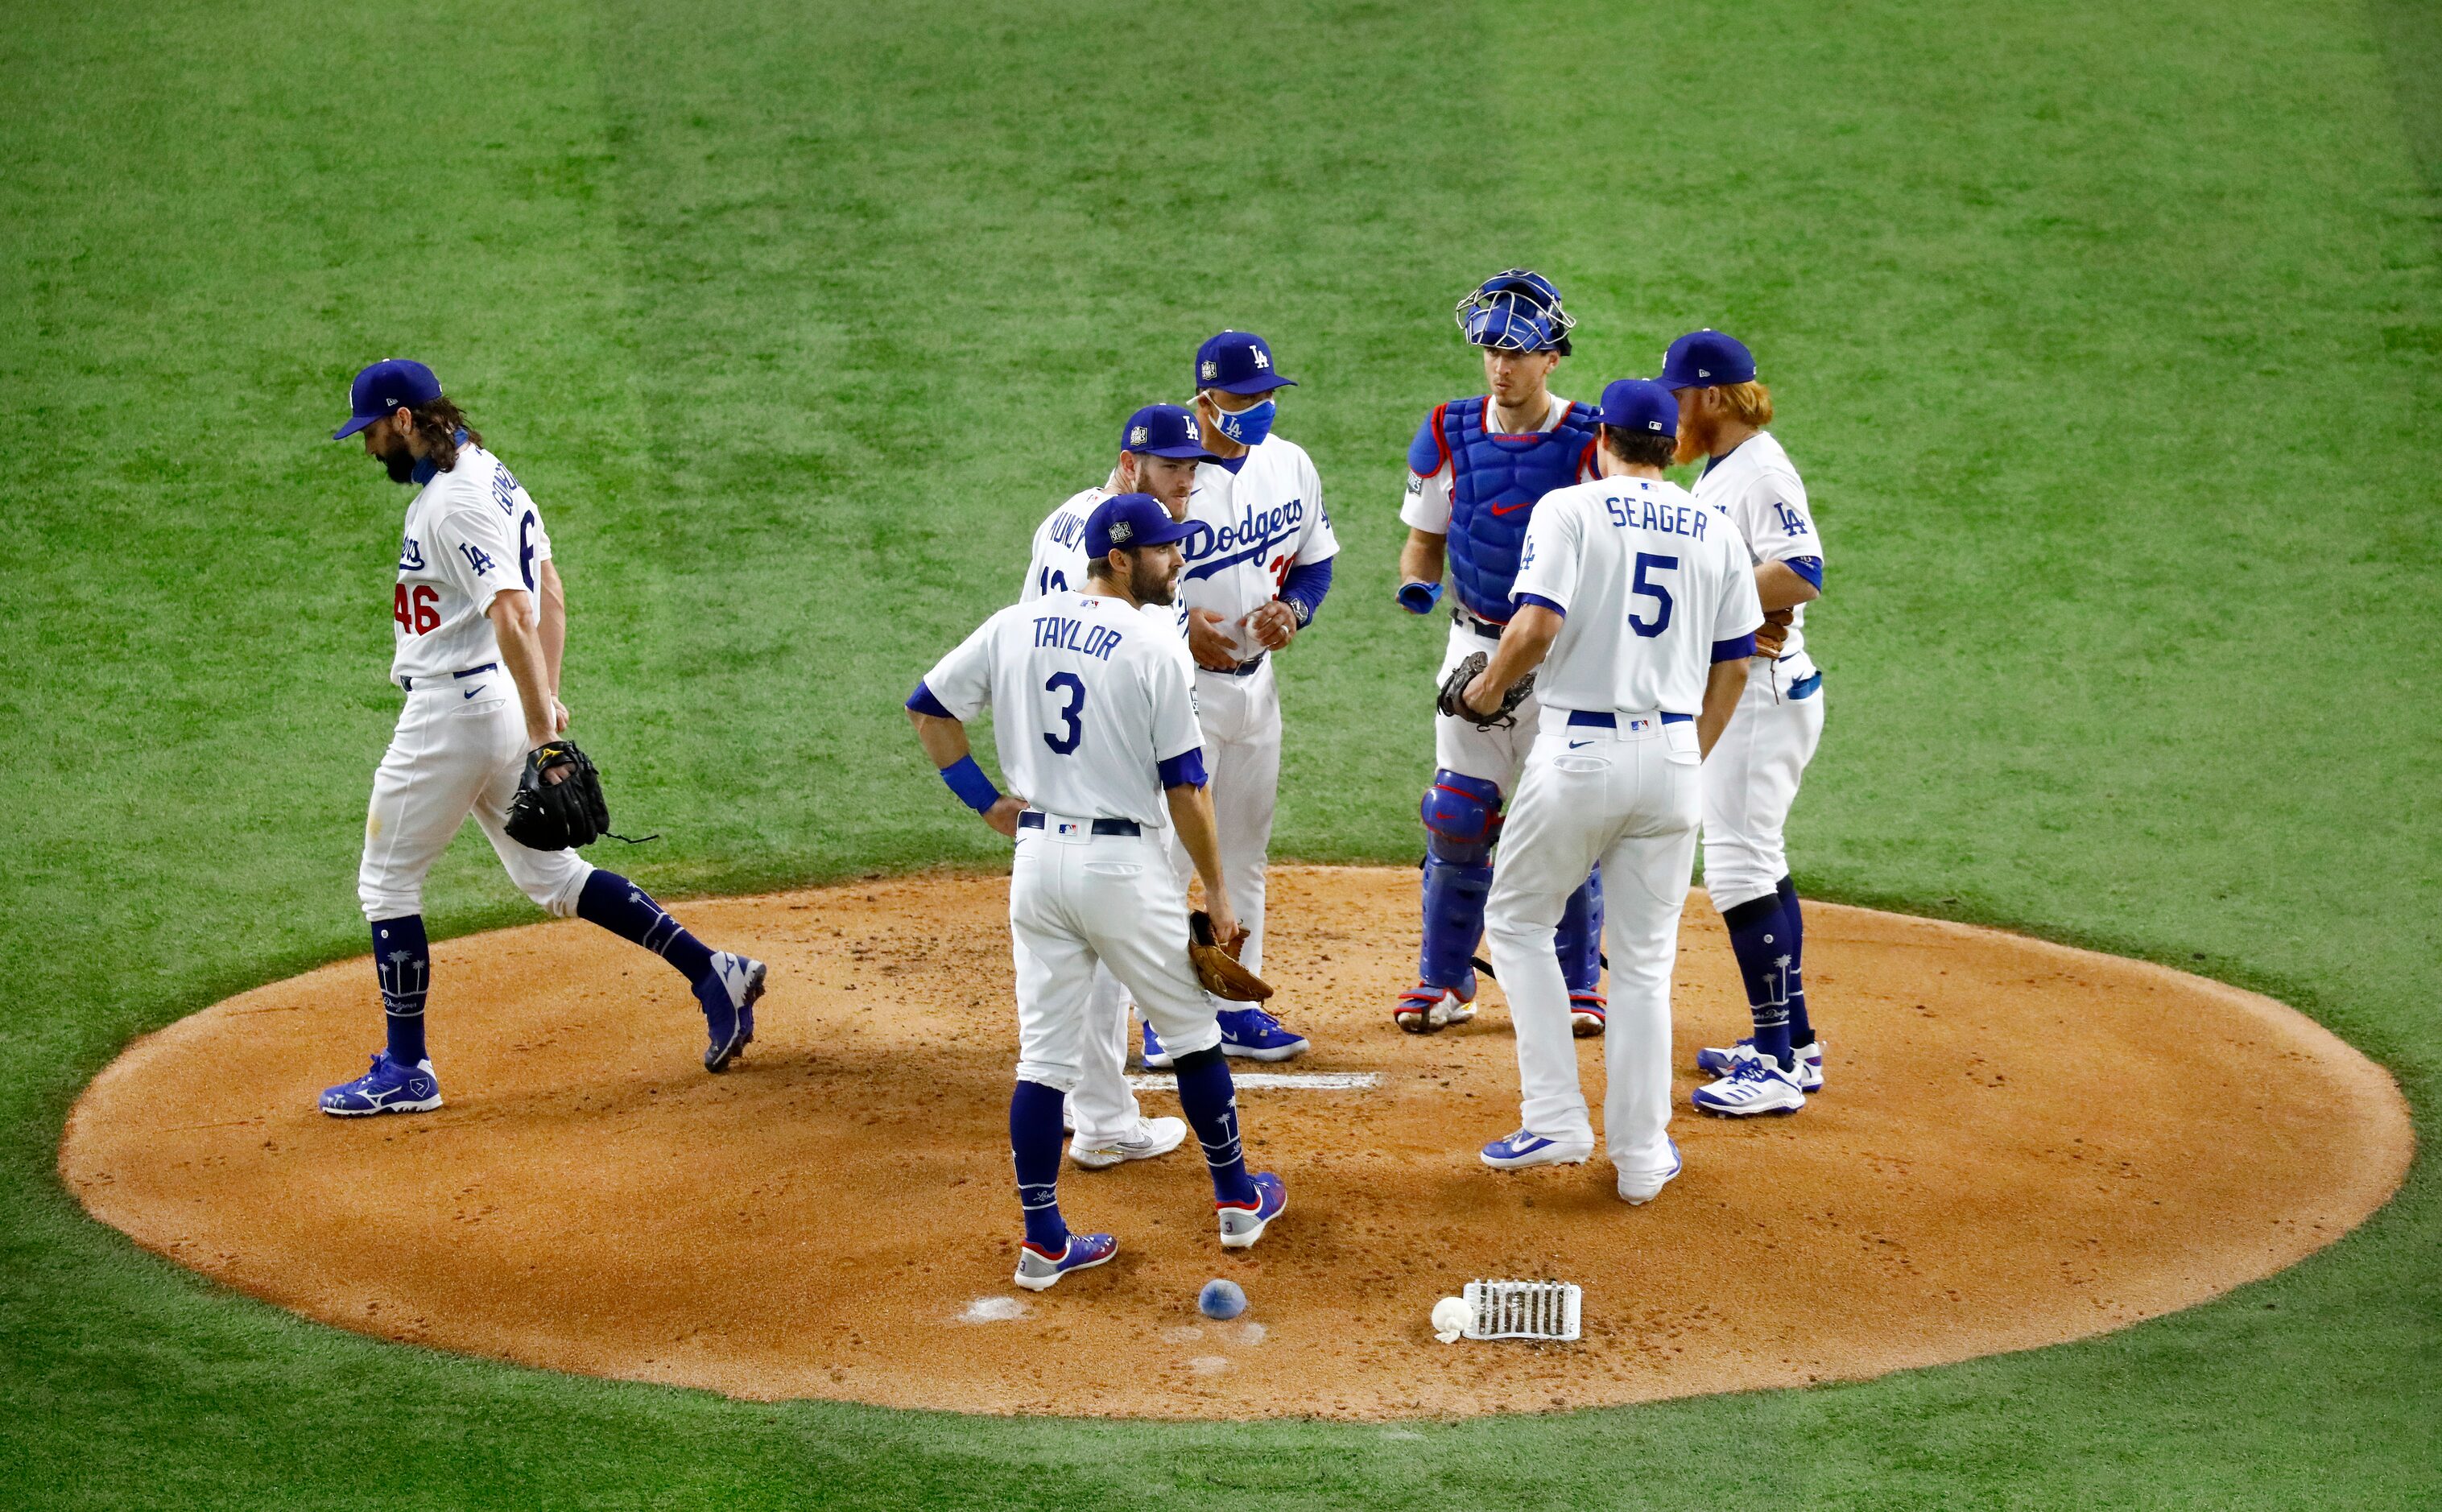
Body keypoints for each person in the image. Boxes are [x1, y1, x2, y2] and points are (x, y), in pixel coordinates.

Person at [320, 359, 766, 1117]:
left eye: (370, 432)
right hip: (491, 700)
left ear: (403, 419)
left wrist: (545, 738)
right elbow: (550, 588)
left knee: (386, 884)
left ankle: (407, 1070)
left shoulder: (452, 505)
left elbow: (513, 611)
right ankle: (712, 970)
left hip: (450, 715)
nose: (367, 449)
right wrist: (544, 703)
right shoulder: (489, 471)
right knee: (552, 876)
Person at [908, 494, 1289, 1291]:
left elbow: (929, 708)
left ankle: (1043, 1242)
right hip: (1120, 868)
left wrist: (986, 803)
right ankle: (1238, 1200)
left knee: (1043, 1062)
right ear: (1120, 558)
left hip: (1038, 864)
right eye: (1164, 551)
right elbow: (1188, 786)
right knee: (1191, 1033)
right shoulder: (1152, 647)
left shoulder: (1013, 625)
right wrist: (1217, 892)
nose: (1178, 560)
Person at [1457, 379, 1760, 1204]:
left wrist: (1484, 693)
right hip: (1672, 760)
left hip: (1580, 750)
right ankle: (1640, 1157)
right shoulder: (1716, 527)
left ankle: (1555, 1114)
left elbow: (1536, 627)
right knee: (1645, 966)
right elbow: (1735, 663)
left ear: (1603, 442)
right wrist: (1686, 760)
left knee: (1516, 920)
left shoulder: (1570, 509)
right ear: (1668, 446)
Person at [1392, 270, 1608, 1036]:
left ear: (1553, 357)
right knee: (1456, 812)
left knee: (1569, 816)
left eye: (1516, 353)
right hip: (1472, 639)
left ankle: (1579, 983)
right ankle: (1445, 983)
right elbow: (1423, 540)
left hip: (1563, 653)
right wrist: (1417, 584)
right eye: (1489, 351)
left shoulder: (1592, 443)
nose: (1499, 367)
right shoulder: (1449, 429)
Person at [1019, 404, 1213, 1168]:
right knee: (1107, 941)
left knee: (1064, 951)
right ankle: (1101, 1119)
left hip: (1055, 765)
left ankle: (1083, 1100)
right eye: (1173, 470)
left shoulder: (1067, 518)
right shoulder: (1126, 553)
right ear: (1130, 465)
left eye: (1193, 471)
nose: (1186, 486)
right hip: (1116, 777)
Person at [1136, 331, 1335, 1068]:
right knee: (1165, 855)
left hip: (1257, 691)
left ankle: (1232, 1004)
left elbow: (1315, 564)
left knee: (1244, 854)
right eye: (1242, 400)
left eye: (1266, 398)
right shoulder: (1163, 479)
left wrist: (1295, 613)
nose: (1257, 411)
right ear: (1204, 397)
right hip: (1178, 696)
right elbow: (1117, 577)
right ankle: (1164, 1012)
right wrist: (1180, 629)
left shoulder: (1291, 465)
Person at [1661, 332, 1829, 1117]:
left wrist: (1724, 603)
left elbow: (1803, 571)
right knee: (1759, 858)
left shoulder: (1760, 469)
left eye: (1681, 395)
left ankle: (1776, 1066)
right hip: (1757, 687)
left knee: (1737, 868)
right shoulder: (1723, 469)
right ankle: (1791, 1042)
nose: (1672, 408)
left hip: (1760, 696)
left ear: (1716, 398)